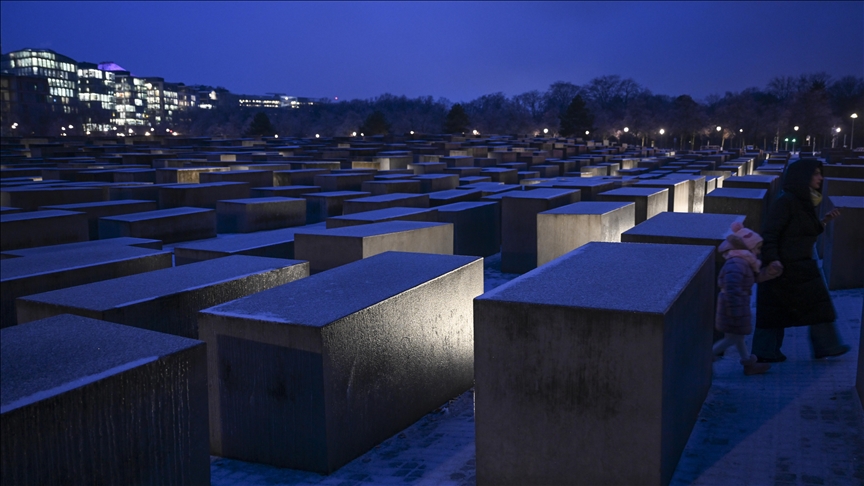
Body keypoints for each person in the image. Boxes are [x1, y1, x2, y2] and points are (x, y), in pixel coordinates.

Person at [752, 158, 849, 362]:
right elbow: (770, 234)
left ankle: (823, 346)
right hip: (783, 267)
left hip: (799, 265)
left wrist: (824, 221)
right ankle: (767, 352)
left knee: (806, 307)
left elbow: (803, 230)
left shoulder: (804, 201)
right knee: (777, 311)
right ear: (802, 177)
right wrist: (772, 260)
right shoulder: (786, 201)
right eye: (816, 174)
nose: (820, 178)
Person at [713, 221, 783, 375]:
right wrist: (735, 311)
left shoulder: (743, 262)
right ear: (748, 248)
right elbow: (732, 288)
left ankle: (749, 364)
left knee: (737, 337)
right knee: (732, 338)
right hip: (733, 306)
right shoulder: (737, 263)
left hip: (735, 305)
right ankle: (705, 359)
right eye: (757, 248)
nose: (758, 252)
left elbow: (752, 279)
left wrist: (770, 272)